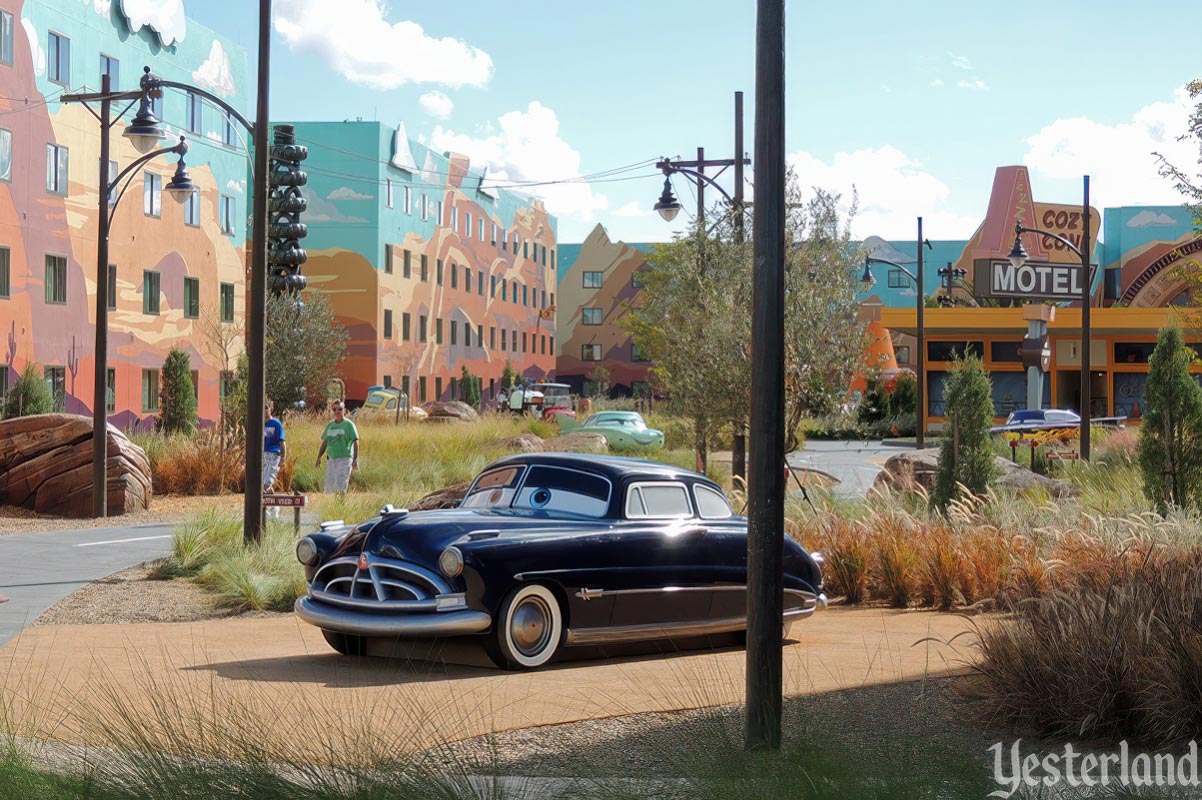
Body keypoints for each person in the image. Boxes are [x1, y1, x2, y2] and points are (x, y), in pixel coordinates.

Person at [315, 401, 359, 494]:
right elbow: (325, 442)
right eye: (334, 409)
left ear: (344, 410)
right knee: (329, 486)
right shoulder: (330, 425)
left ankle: (340, 506)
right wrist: (319, 457)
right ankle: (331, 507)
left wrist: (355, 460)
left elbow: (355, 442)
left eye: (340, 409)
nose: (337, 411)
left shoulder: (349, 425)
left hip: (344, 459)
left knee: (341, 484)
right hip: (331, 459)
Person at [263, 401, 286, 516]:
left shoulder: (276, 424)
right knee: (264, 484)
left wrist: (283, 457)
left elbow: (282, 441)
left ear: (270, 409)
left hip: (273, 454)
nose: (265, 410)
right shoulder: (260, 425)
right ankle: (274, 506)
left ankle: (267, 508)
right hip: (262, 455)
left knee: (266, 483)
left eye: (266, 408)